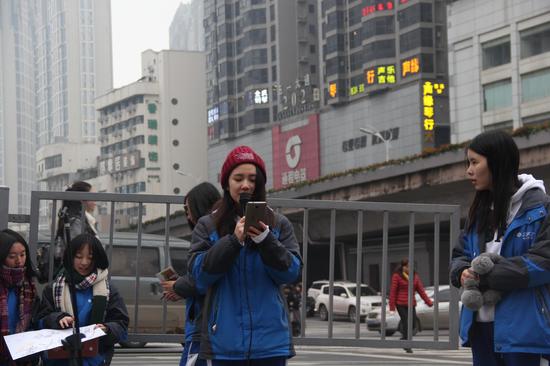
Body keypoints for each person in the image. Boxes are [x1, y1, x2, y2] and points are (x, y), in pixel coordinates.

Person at [188, 145, 302, 365]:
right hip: (224, 342)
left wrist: (265, 240)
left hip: (270, 343)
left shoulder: (279, 224)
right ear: (226, 183)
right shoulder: (208, 225)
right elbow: (199, 276)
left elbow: (291, 272)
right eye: (238, 178)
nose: (246, 185)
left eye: (252, 178)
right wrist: (233, 241)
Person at [450, 129, 550, 366]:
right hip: (481, 327)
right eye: (468, 162)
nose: (469, 170)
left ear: (497, 161)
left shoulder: (542, 210)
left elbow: (543, 263)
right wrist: (462, 271)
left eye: (474, 162)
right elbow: (459, 256)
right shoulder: (477, 214)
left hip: (525, 329)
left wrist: (484, 278)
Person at [36, 234, 129, 366]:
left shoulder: (109, 290)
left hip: (95, 360)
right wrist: (57, 319)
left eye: (90, 257)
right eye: (79, 257)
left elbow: (121, 324)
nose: (84, 262)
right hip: (58, 360)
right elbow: (40, 320)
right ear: (70, 257)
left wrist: (107, 329)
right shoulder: (53, 288)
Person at [159, 182, 221, 366]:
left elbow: (206, 277)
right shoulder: (214, 234)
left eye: (188, 209)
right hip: (203, 324)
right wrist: (181, 287)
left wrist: (179, 286)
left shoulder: (212, 235)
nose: (187, 214)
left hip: (204, 326)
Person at [0, 229, 39, 366]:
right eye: (12, 256)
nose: (19, 261)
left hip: (21, 355)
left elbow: (36, 319)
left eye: (23, 255)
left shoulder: (29, 285)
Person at [389, 258, 432, 353]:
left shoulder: (415, 276)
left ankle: (403, 339)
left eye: (410, 266)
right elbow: (393, 291)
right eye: (407, 267)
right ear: (403, 267)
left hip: (411, 303)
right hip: (400, 303)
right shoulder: (397, 276)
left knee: (412, 324)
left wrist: (428, 302)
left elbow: (421, 290)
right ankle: (407, 344)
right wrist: (392, 307)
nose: (409, 268)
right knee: (406, 322)